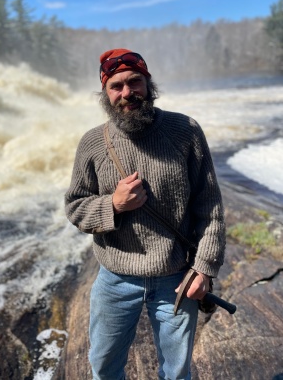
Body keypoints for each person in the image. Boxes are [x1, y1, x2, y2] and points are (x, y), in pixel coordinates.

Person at [65, 48, 226, 380]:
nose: (127, 93)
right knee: (105, 366)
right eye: (116, 86)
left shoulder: (186, 132)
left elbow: (208, 206)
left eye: (134, 82)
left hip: (176, 276)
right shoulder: (93, 143)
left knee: (177, 371)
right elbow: (75, 207)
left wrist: (205, 267)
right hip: (115, 277)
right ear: (105, 94)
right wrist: (113, 205)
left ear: (148, 83)